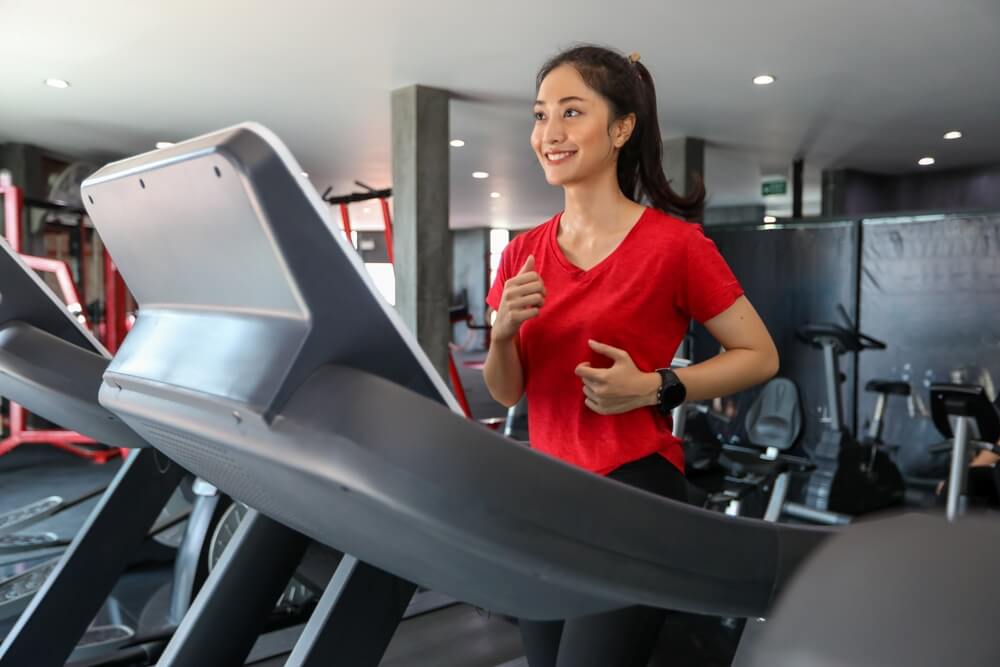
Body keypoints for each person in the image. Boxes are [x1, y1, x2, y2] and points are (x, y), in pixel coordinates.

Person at [483, 45, 779, 667]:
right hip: (547, 494)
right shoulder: (520, 254)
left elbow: (759, 355)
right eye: (540, 116)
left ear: (621, 129)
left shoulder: (675, 247)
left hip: (634, 493)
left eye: (571, 112)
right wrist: (503, 333)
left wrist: (654, 387)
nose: (548, 133)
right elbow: (507, 393)